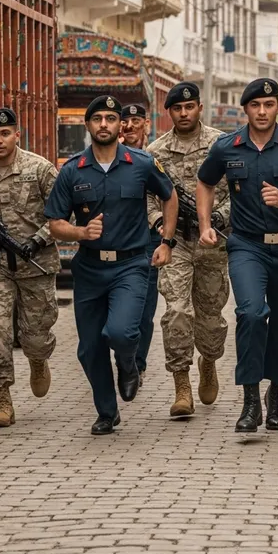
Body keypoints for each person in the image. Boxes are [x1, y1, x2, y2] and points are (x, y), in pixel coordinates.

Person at [196, 78, 278, 433]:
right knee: (252, 314)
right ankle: (250, 400)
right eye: (256, 106)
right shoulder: (228, 147)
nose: (262, 111)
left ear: (277, 107)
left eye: (269, 105)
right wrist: (205, 224)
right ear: (246, 109)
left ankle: (277, 396)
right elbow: (205, 182)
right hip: (246, 245)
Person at [45, 95, 179, 435]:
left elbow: (170, 195)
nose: (104, 124)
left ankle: (128, 364)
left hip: (131, 265)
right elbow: (55, 222)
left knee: (120, 332)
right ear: (87, 126)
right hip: (89, 268)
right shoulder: (72, 170)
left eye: (110, 118)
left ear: (121, 126)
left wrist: (166, 241)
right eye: (97, 119)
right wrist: (79, 231)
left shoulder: (142, 163)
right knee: (89, 348)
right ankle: (107, 412)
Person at [0, 108, 60, 428]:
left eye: (5, 134)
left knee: (35, 335)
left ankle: (37, 361)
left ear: (16, 135)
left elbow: (62, 213)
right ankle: (2, 397)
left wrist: (37, 240)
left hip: (36, 263)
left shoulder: (39, 169)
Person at [146, 82, 230, 418]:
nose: (184, 113)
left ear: (200, 107)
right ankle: (182, 385)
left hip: (212, 240)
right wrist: (159, 227)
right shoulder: (155, 152)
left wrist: (217, 219)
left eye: (190, 107)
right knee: (177, 311)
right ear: (170, 112)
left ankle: (208, 360)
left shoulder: (221, 145)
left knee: (210, 318)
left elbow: (237, 190)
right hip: (176, 241)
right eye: (177, 109)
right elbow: (148, 198)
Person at [121, 102, 160, 382]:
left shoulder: (156, 157)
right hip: (117, 241)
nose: (131, 126)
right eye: (126, 121)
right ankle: (122, 357)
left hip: (149, 240)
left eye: (137, 121)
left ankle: (138, 364)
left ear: (146, 124)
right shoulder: (108, 157)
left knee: (145, 309)